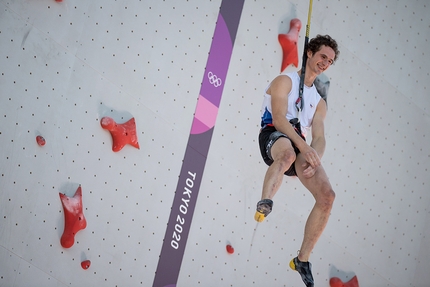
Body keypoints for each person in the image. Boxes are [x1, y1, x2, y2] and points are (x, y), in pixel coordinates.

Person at [255, 34, 340, 287]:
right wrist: (304, 147)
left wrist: (316, 157)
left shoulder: (319, 102)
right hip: (274, 134)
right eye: (323, 56)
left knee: (328, 197)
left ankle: (302, 259)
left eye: (330, 61)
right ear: (309, 52)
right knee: (288, 153)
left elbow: (320, 137)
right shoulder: (285, 81)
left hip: (300, 144)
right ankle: (265, 201)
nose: (325, 63)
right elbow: (280, 119)